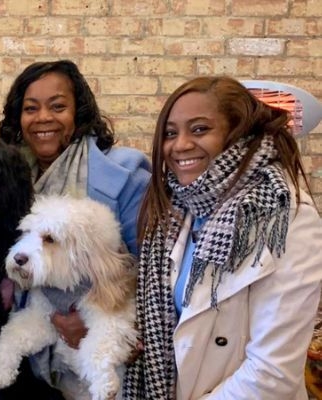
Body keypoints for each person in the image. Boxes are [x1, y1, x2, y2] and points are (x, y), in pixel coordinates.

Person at [122, 76, 322, 399]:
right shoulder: (175, 212)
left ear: (237, 134)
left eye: (199, 129)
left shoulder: (285, 216)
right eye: (170, 133)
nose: (180, 144)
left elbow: (272, 373)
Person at [0, 60, 151, 399]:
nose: (43, 118)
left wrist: (98, 323)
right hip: (31, 364)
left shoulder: (125, 174)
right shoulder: (10, 178)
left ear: (78, 112)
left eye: (58, 106)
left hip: (104, 358)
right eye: (30, 108)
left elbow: (152, 273)